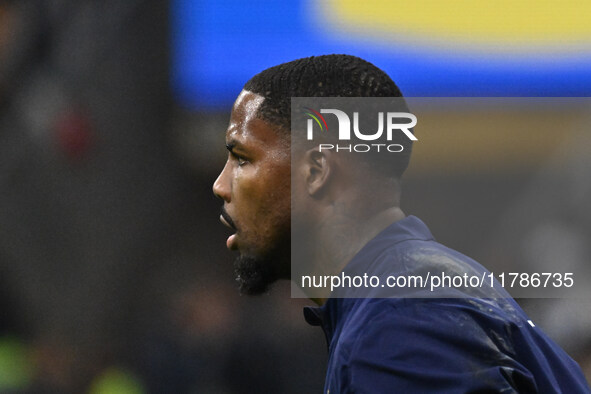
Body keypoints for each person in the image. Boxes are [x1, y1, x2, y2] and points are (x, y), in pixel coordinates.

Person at [213, 54, 591, 393]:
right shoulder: (409, 296)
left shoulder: (400, 325)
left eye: (242, 158)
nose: (221, 185)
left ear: (316, 171)